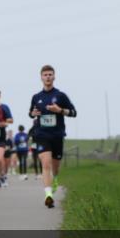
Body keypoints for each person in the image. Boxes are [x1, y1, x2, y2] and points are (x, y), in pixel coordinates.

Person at [28, 65, 77, 208]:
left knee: (55, 167)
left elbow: (74, 113)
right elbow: (31, 112)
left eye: (50, 74)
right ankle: (48, 195)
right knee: (46, 163)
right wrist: (33, 114)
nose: (48, 77)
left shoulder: (61, 96)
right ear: (41, 78)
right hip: (41, 135)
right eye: (45, 75)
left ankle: (55, 178)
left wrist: (60, 110)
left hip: (57, 135)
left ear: (54, 77)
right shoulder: (36, 97)